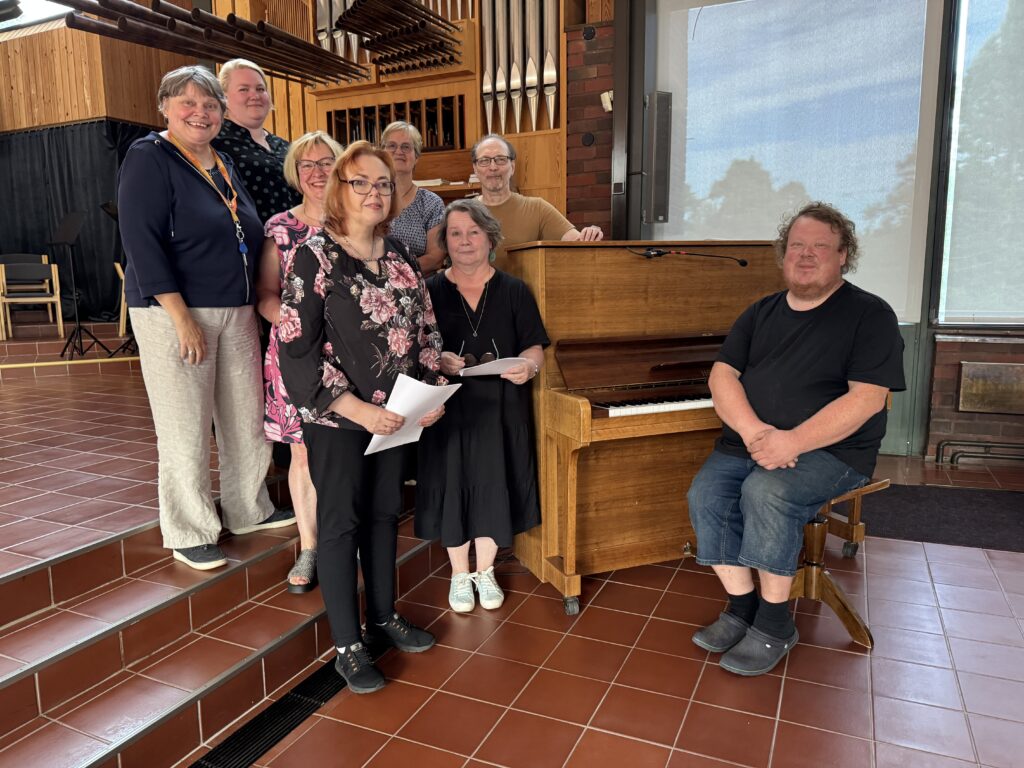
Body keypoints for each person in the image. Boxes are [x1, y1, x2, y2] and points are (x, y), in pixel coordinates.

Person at [686, 202, 905, 676]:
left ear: (843, 255)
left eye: (820, 247)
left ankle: (774, 625)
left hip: (833, 452)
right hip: (751, 443)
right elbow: (722, 376)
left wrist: (793, 442)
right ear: (783, 254)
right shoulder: (760, 311)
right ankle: (742, 607)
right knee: (707, 494)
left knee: (766, 492)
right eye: (797, 246)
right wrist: (756, 433)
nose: (806, 255)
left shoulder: (870, 315)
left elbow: (867, 398)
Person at [277, 140, 447, 694]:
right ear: (338, 189)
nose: (374, 192)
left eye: (383, 184)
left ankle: (383, 616)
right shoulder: (314, 256)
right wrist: (355, 408)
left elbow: (425, 329)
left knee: (382, 516)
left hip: (396, 417)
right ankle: (347, 645)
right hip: (339, 419)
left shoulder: (399, 255)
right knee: (340, 524)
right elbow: (294, 346)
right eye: (361, 182)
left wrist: (430, 392)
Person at [117, 65, 295, 571]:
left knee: (244, 418)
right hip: (174, 309)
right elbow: (141, 242)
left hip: (236, 307)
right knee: (186, 424)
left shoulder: (222, 161)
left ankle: (248, 508)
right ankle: (189, 528)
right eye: (188, 103)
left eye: (210, 104)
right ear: (165, 107)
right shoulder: (149, 156)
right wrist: (180, 316)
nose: (201, 112)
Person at [415, 199, 548, 614]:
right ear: (445, 241)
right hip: (448, 410)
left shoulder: (514, 290)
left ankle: (485, 570)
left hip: (501, 409)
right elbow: (415, 348)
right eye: (455, 233)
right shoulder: (429, 290)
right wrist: (437, 359)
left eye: (473, 232)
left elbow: (534, 345)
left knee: (494, 482)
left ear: (490, 238)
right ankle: (459, 573)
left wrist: (529, 366)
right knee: (453, 484)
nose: (465, 241)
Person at [257, 130, 344, 593]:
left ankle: (343, 538)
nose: (317, 172)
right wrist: (293, 326)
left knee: (347, 450)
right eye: (307, 164)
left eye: (326, 162)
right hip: (295, 355)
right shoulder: (279, 227)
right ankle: (310, 546)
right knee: (303, 451)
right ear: (295, 172)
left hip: (348, 354)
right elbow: (265, 295)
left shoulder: (354, 222)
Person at [472, 133, 604, 269]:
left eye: (500, 159)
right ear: (475, 169)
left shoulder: (537, 208)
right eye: (484, 160)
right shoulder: (464, 213)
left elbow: (579, 244)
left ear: (512, 166)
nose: (493, 167)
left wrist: (591, 234)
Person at [212, 59, 301, 224]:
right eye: (244, 89)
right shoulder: (214, 142)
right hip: (248, 237)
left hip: (296, 236)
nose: (255, 96)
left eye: (260, 89)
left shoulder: (286, 146)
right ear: (224, 98)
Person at [379, 121, 446, 273]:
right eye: (392, 146)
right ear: (382, 154)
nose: (398, 151)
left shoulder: (431, 203)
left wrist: (397, 274)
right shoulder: (371, 197)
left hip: (419, 282)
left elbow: (435, 258)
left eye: (406, 147)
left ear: (416, 157)